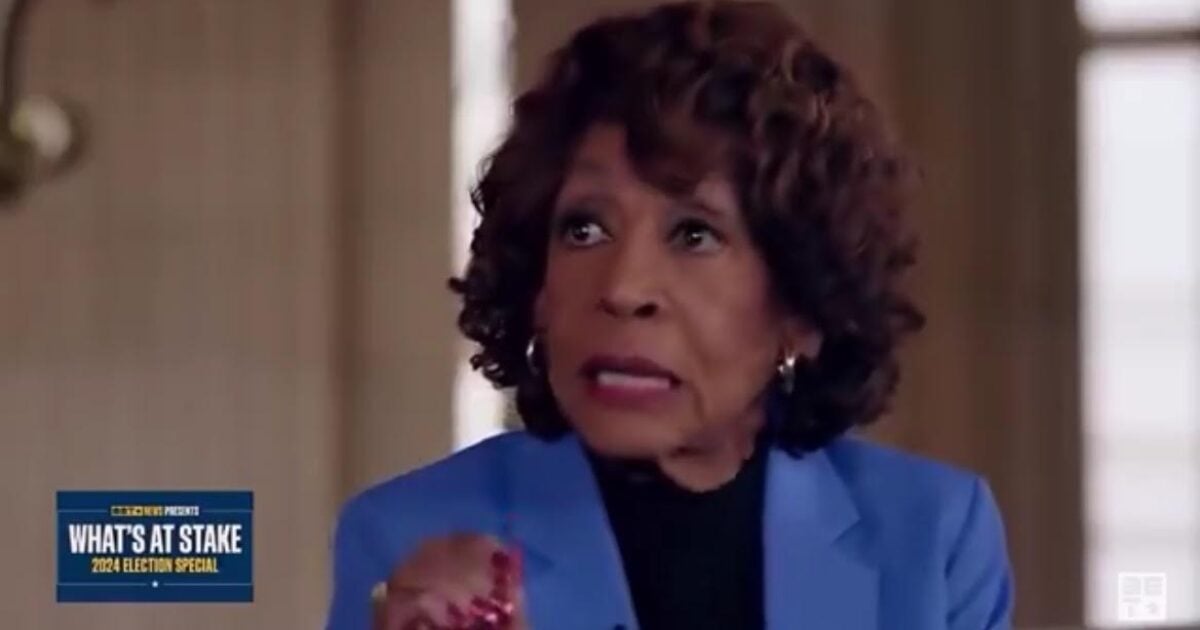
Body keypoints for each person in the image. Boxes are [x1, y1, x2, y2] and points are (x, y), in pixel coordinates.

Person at [325, 2, 1014, 629]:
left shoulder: (934, 541)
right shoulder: (405, 538)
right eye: (584, 229)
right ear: (538, 288)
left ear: (802, 306)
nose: (623, 289)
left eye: (694, 234)